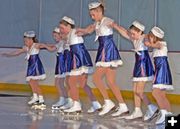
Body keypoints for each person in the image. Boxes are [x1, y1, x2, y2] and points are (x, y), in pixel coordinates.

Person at [76, 1, 129, 116]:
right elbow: (88, 30)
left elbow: (118, 28)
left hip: (107, 52)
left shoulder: (107, 21)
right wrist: (80, 31)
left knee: (96, 79)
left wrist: (131, 36)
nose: (92, 17)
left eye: (93, 14)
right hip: (105, 51)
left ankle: (108, 102)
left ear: (99, 12)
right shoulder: (97, 23)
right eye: (91, 15)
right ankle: (123, 106)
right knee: (110, 82)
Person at [111, 21, 158, 120]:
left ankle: (151, 107)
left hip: (144, 65)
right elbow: (124, 32)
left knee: (139, 91)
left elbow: (152, 39)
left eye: (134, 33)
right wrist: (115, 26)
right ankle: (137, 111)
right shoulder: (135, 39)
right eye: (131, 33)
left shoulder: (144, 37)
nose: (132, 35)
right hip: (138, 64)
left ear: (140, 31)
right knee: (135, 90)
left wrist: (150, 40)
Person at [59, 16, 102, 113]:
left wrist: (96, 23)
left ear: (69, 26)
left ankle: (76, 105)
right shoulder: (69, 34)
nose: (60, 30)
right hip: (80, 58)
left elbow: (88, 29)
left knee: (71, 82)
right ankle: (95, 103)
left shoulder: (75, 31)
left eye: (62, 28)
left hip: (78, 58)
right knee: (83, 84)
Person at [1, 31, 53, 108]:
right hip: (31, 66)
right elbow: (17, 52)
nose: (25, 42)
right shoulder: (27, 48)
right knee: (31, 82)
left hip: (36, 66)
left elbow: (44, 45)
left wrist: (49, 47)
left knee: (34, 83)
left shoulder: (36, 45)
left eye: (26, 40)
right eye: (24, 41)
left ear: (31, 39)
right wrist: (8, 54)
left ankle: (41, 99)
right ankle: (35, 97)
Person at [145, 26, 173, 124]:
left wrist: (150, 44)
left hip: (162, 70)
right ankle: (170, 116)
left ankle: (164, 113)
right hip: (160, 70)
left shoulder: (162, 43)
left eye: (151, 36)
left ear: (156, 37)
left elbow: (158, 45)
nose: (150, 38)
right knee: (162, 95)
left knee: (155, 93)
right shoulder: (156, 46)